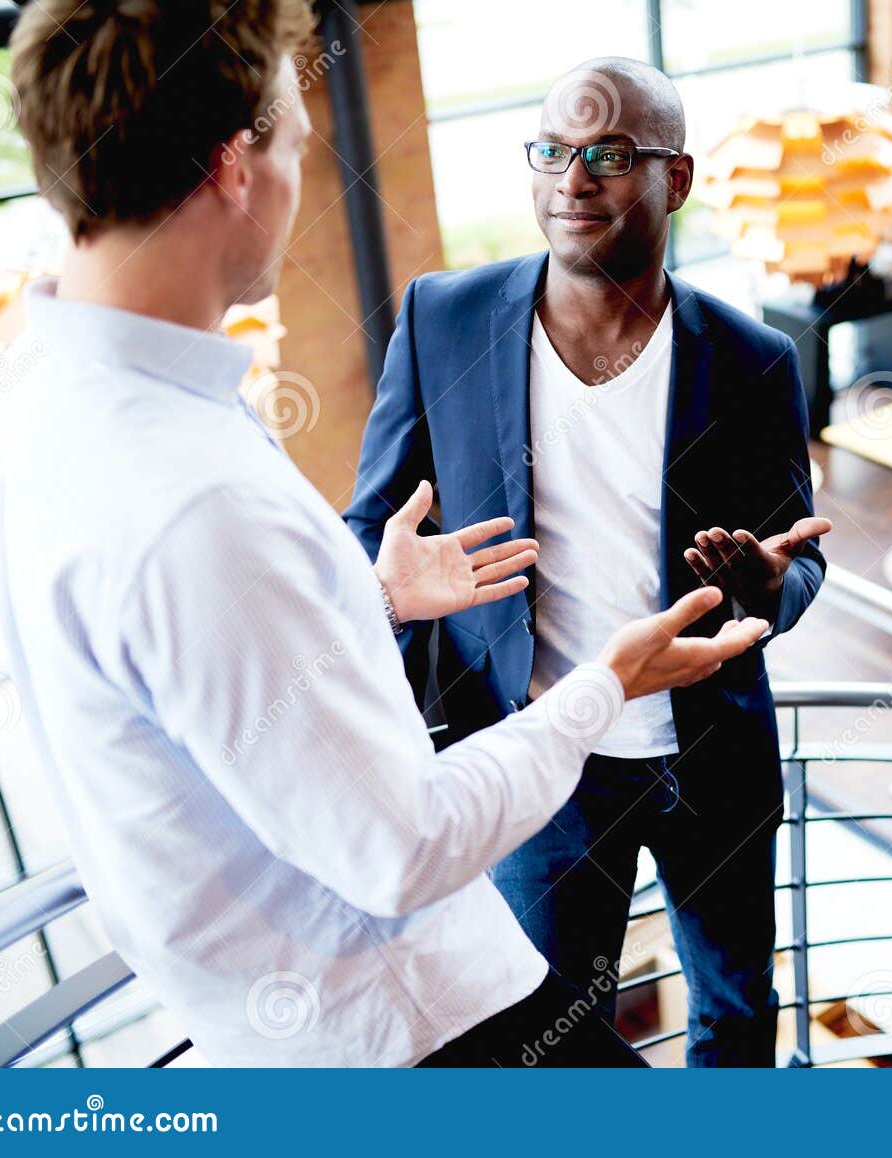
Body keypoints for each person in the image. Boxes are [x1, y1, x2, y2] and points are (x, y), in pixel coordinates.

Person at [0, 0, 768, 1068]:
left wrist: (371, 599)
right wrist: (605, 685)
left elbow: (207, 674)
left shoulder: (19, 404)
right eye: (297, 143)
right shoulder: (198, 498)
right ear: (234, 166)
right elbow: (401, 848)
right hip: (421, 1025)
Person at [344, 58, 829, 1067]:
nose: (572, 181)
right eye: (553, 152)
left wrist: (772, 590)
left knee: (738, 1010)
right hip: (539, 762)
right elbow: (371, 531)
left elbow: (799, 559)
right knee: (553, 1037)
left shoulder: (753, 359)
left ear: (675, 178)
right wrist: (388, 594)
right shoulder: (442, 320)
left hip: (710, 756)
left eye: (608, 156)